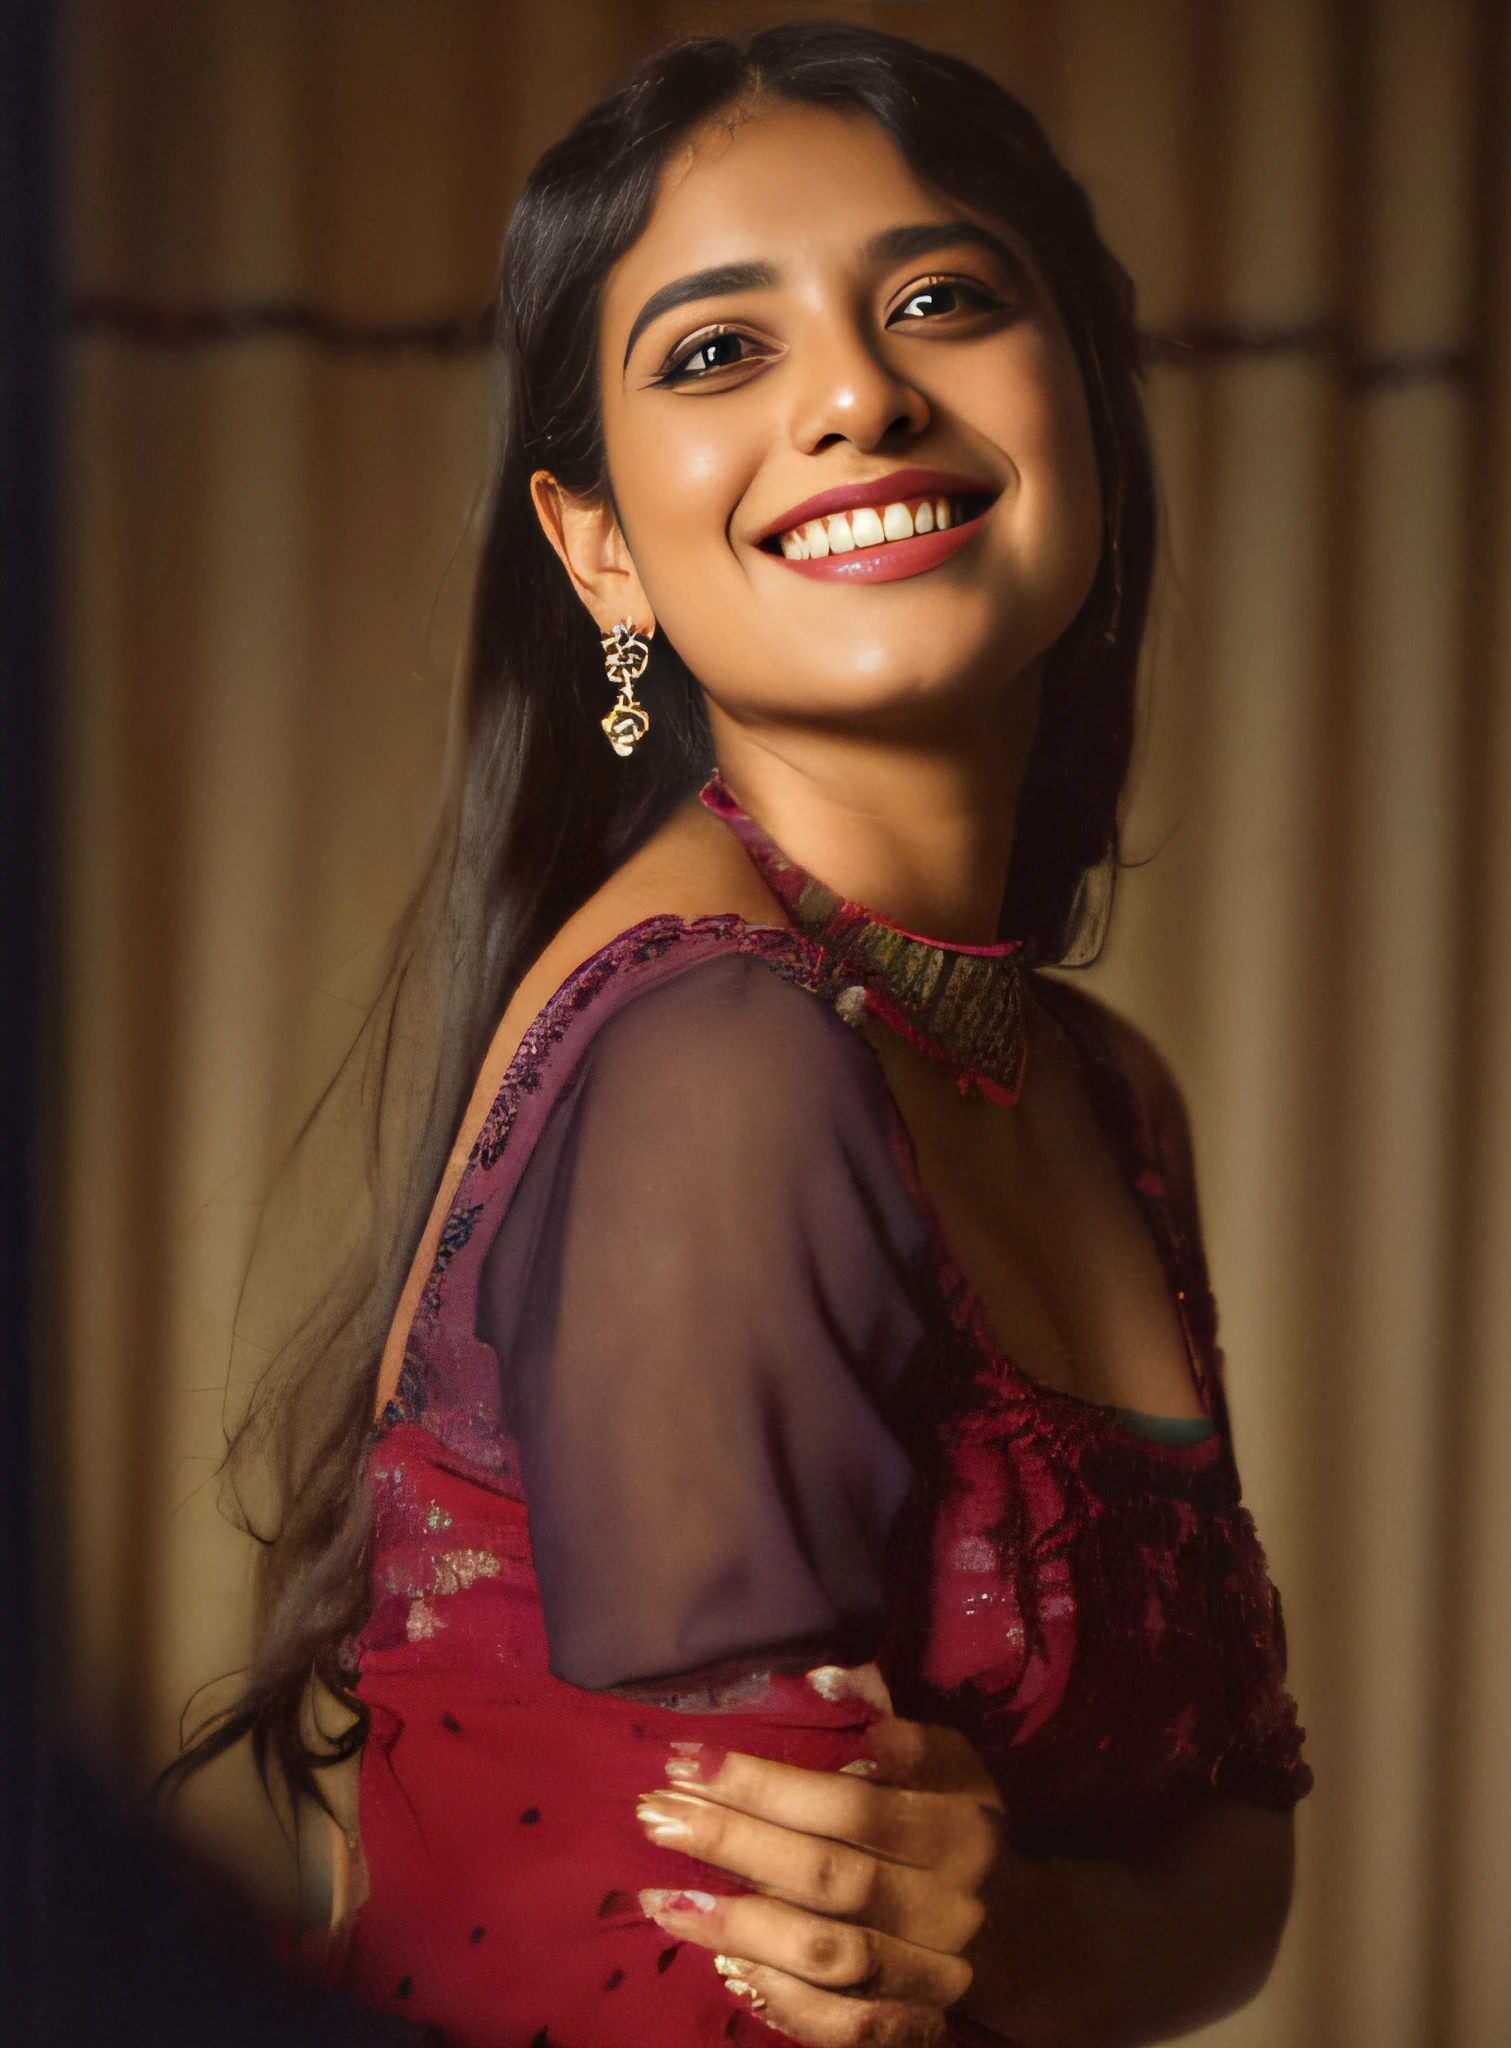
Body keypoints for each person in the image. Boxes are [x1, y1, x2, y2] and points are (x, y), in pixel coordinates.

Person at [176, 24, 1310, 2047]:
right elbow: (765, 1990)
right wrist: (1066, 1947)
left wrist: (1049, 1943)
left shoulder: (1104, 1092)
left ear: (1090, 411)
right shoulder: (726, 1062)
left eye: (942, 301)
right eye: (718, 353)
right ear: (596, 543)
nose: (862, 393)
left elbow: (1240, 1846)